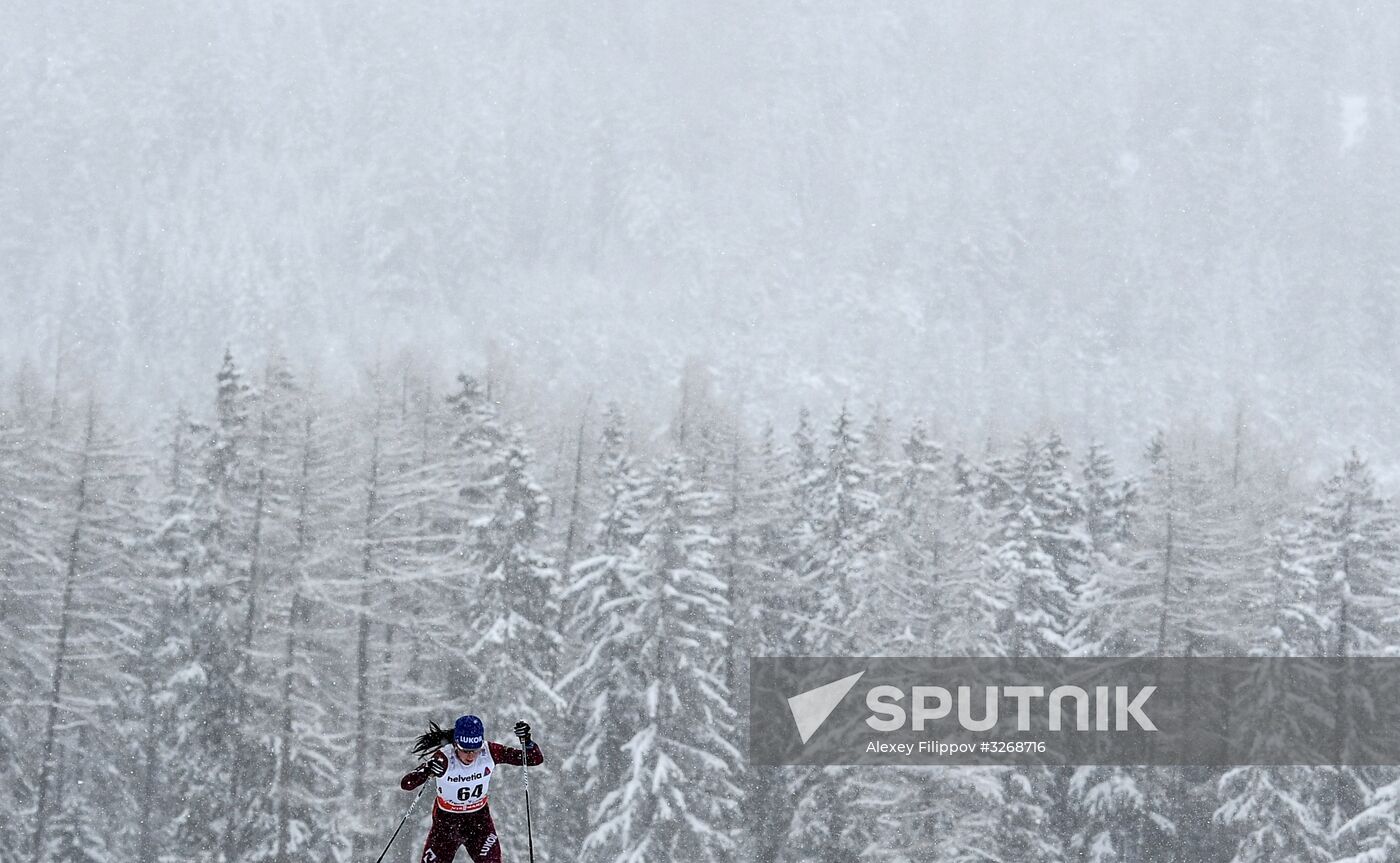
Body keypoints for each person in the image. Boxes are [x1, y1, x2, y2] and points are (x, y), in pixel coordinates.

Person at [401, 714, 544, 863]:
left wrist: (526, 741)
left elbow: (534, 759)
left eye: (475, 750)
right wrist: (426, 771)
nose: (471, 756)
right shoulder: (444, 758)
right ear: (456, 744)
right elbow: (407, 784)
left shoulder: (489, 751)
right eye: (465, 750)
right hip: (446, 825)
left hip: (479, 824)